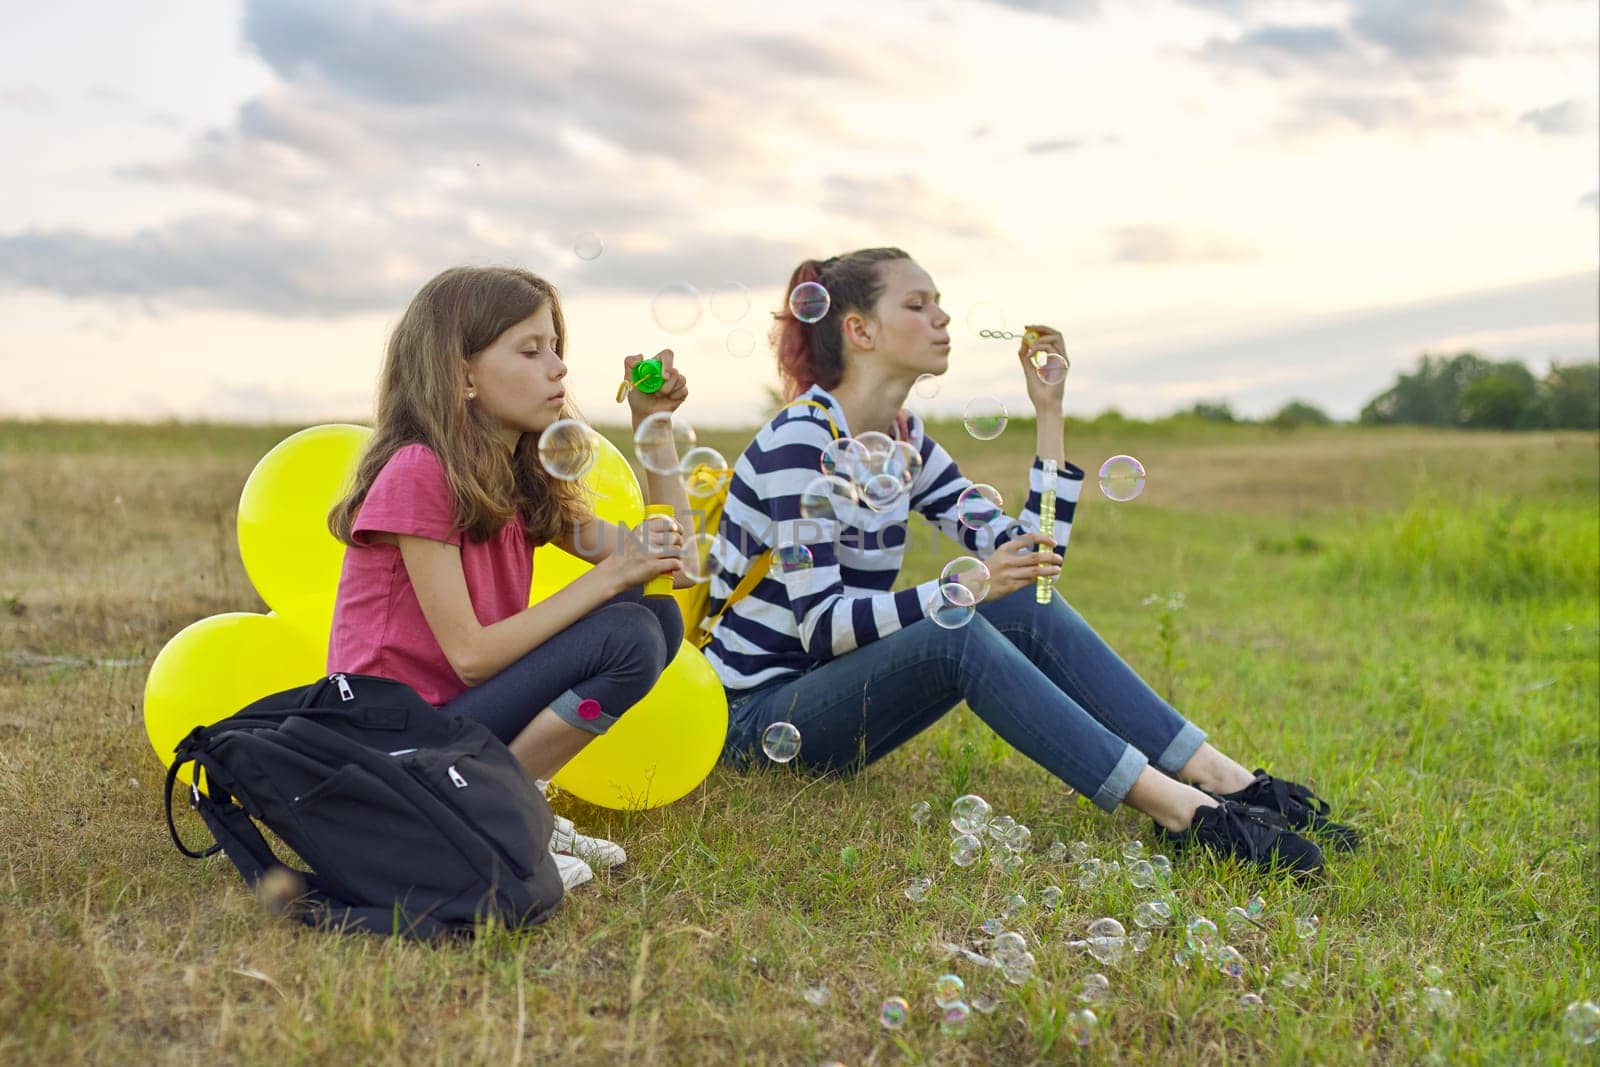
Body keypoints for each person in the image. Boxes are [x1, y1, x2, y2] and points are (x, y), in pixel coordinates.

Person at [704, 248, 1358, 875]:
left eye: (940, 302)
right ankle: (1185, 813)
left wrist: (1050, 412)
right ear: (860, 330)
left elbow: (1033, 564)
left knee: (1014, 601)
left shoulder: (906, 441)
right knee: (955, 627)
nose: (942, 317)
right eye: (918, 303)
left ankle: (1227, 779)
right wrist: (962, 588)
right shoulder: (801, 439)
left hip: (834, 699)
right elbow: (824, 625)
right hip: (754, 718)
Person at [327, 265, 693, 890]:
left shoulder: (517, 479)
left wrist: (652, 427)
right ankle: (488, 816)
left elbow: (672, 566)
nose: (558, 368)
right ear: (461, 373)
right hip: (394, 739)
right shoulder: (420, 470)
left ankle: (504, 802)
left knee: (655, 614)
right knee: (628, 629)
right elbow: (469, 657)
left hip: (456, 725)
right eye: (530, 350)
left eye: (555, 347)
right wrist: (608, 580)